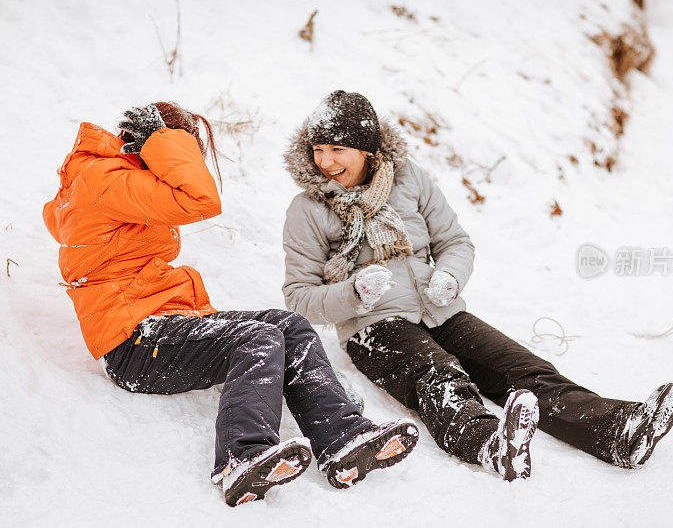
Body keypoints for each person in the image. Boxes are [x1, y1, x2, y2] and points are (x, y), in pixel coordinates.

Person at [281, 90, 673, 481]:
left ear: (367, 150)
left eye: (337, 150)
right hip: (374, 326)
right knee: (438, 375)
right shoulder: (309, 209)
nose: (326, 162)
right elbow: (299, 298)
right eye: (318, 150)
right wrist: (354, 294)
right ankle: (491, 445)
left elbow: (454, 241)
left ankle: (618, 430)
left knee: (522, 368)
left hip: (439, 310)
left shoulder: (409, 179)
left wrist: (450, 277)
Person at [42, 102, 418, 507]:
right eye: (183, 149)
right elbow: (201, 199)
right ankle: (243, 457)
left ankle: (343, 437)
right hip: (131, 342)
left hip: (164, 320)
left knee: (288, 325)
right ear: (154, 144)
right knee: (257, 340)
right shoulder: (104, 179)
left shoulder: (121, 182)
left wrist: (161, 143)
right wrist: (166, 140)